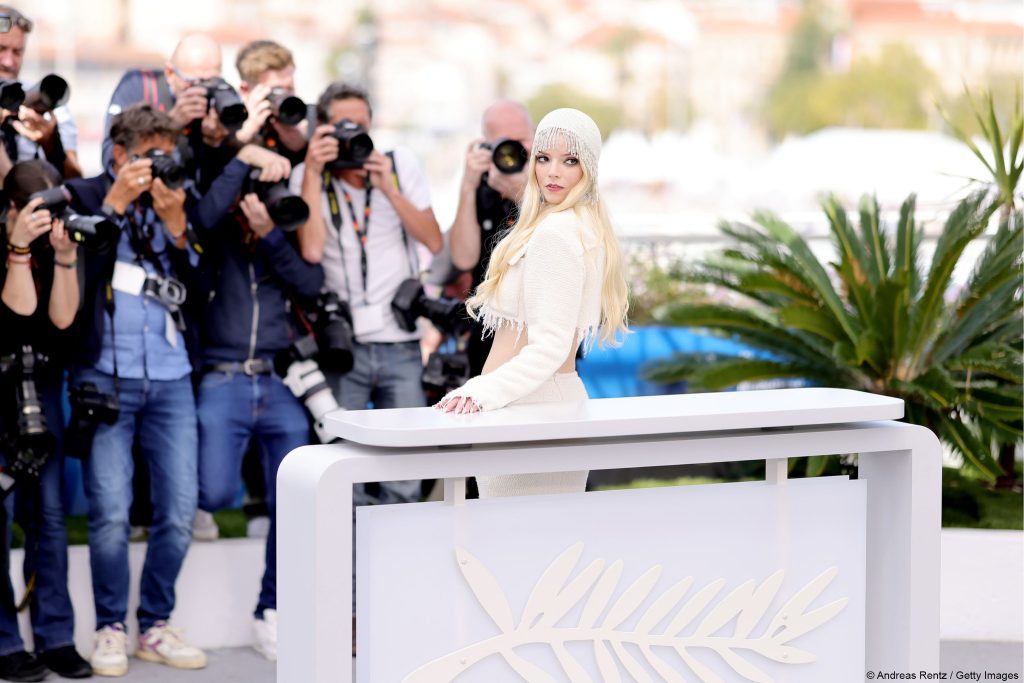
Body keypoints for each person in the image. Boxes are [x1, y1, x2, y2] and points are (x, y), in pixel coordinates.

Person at [65, 104, 207, 677]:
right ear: (120, 153)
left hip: (171, 376)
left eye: (167, 155)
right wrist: (114, 206)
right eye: (149, 154)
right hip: (104, 374)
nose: (158, 165)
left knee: (177, 510)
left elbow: (202, 292)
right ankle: (110, 628)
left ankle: (154, 622)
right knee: (109, 513)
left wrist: (176, 227)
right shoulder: (83, 194)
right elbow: (77, 279)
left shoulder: (176, 198)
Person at [436, 108, 629, 498]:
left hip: (531, 407)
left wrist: (478, 392)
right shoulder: (573, 224)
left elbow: (551, 346)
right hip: (537, 404)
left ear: (588, 168)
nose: (553, 172)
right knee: (538, 549)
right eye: (543, 158)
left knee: (515, 548)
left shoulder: (557, 232)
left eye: (569, 160)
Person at [192, 140, 322, 661]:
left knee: (290, 498)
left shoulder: (280, 238)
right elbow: (199, 219)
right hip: (221, 378)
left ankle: (269, 609)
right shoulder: (216, 233)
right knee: (216, 493)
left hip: (275, 381)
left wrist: (271, 237)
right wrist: (241, 163)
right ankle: (214, 510)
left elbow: (310, 286)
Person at [290, 81, 442, 504]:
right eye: (341, 126)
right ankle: (353, 563)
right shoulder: (308, 176)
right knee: (342, 469)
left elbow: (432, 241)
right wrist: (316, 173)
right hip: (345, 344)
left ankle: (396, 560)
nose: (351, 135)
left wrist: (389, 188)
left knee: (407, 468)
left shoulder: (398, 163)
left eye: (359, 125)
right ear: (322, 129)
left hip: (400, 341)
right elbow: (312, 248)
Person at [0, 160, 90, 681]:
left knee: (50, 519)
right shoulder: (7, 243)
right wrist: (16, 247)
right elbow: (15, 316)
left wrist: (62, 257)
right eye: (38, 210)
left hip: (44, 389)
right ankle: (5, 641)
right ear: (14, 208)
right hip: (2, 392)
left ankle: (56, 637)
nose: (49, 218)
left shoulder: (56, 242)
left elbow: (60, 320)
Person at [447, 100, 533, 376]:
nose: (514, 150)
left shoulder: (552, 182)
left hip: (538, 332)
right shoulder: (482, 187)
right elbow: (463, 257)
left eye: (520, 139)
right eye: (502, 142)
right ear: (486, 146)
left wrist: (522, 193)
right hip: (487, 331)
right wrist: (468, 185)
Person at [0, 5, 82, 183]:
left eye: (17, 52)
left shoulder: (43, 100)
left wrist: (51, 143)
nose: (9, 62)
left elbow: (76, 183)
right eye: (1, 49)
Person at [234, 40, 311, 166]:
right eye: (276, 90)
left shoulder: (306, 123)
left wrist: (301, 147)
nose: (285, 97)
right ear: (245, 90)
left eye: (289, 89)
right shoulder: (225, 125)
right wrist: (242, 138)